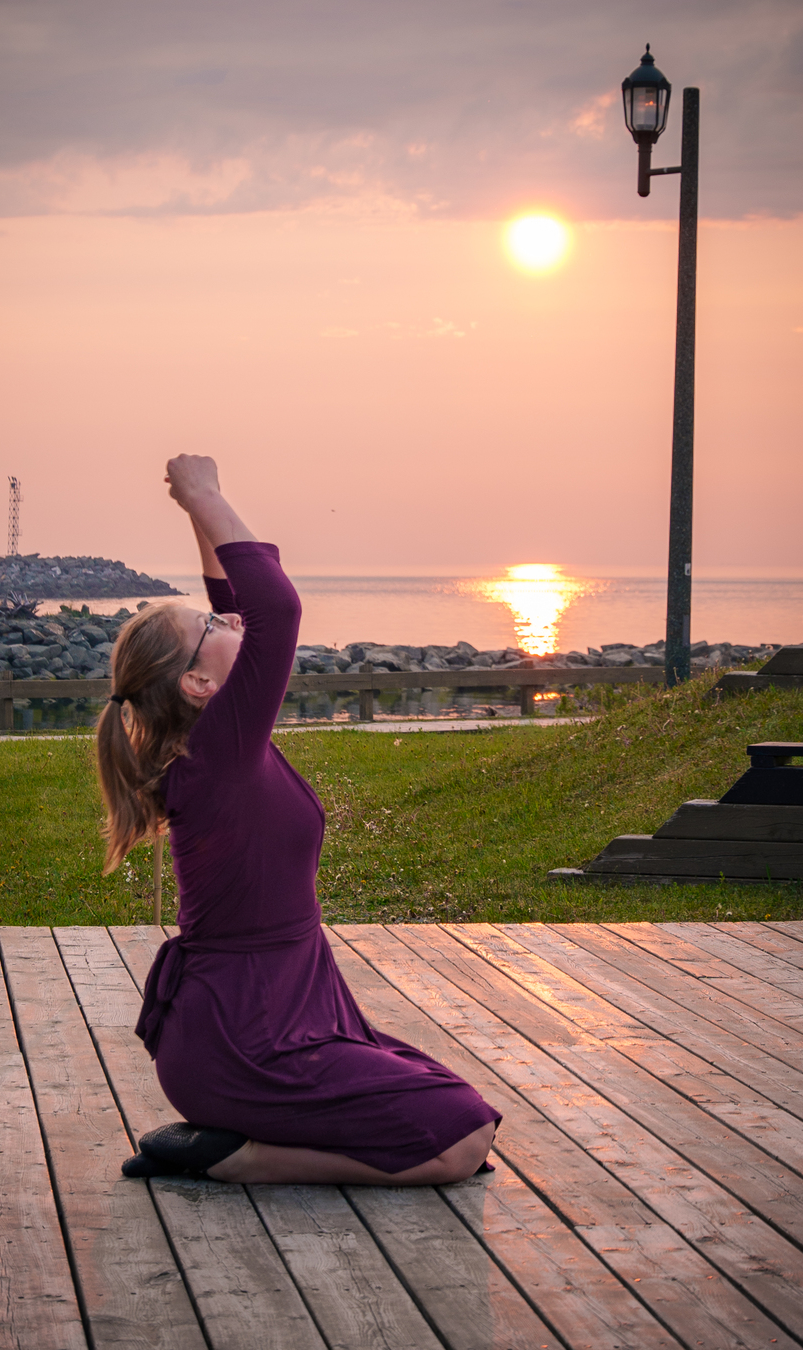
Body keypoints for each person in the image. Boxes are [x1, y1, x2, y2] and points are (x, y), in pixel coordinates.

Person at [97, 455, 500, 1184]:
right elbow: (274, 609)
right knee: (460, 1141)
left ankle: (230, 1137)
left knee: (449, 1103)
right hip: (245, 1041)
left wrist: (197, 518)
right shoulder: (217, 753)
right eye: (210, 624)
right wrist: (205, 495)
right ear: (197, 682)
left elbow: (246, 608)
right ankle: (239, 1159)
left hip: (275, 1018)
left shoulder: (215, 742)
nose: (229, 620)